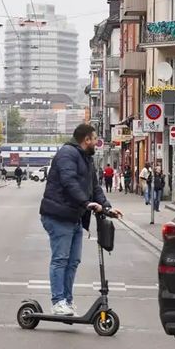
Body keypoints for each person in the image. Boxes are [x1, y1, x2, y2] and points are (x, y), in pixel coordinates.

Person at [40, 124, 122, 317]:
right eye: (94, 139)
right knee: (61, 259)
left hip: (74, 216)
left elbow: (95, 188)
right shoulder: (67, 154)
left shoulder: (86, 158)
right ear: (86, 139)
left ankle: (67, 301)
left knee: (73, 261)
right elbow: (69, 183)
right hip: (58, 215)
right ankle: (58, 301)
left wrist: (108, 208)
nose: (96, 143)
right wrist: (87, 203)